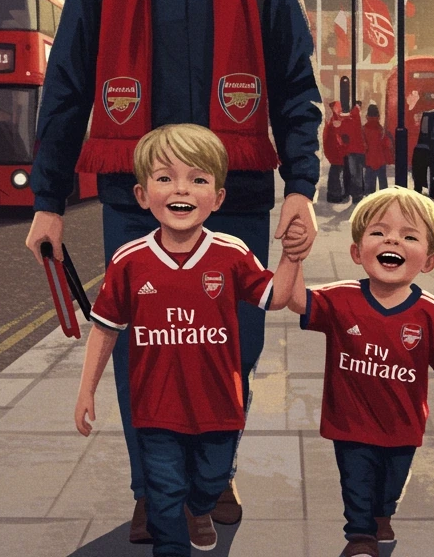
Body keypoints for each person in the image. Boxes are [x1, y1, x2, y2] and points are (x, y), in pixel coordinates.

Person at [24, 0, 322, 541]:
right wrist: (47, 203)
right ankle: (155, 491)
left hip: (241, 198)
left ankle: (208, 480)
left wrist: (303, 187)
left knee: (233, 351)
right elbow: (66, 92)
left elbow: (296, 89)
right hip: (133, 200)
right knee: (144, 358)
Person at [75, 124, 305, 556]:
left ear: (217, 197)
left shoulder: (232, 253)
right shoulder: (129, 262)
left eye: (198, 179)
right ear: (143, 195)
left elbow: (274, 299)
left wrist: (293, 256)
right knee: (163, 493)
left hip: (219, 405)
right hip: (155, 409)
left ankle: (198, 509)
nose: (181, 189)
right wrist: (86, 390)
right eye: (165, 178)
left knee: (211, 481)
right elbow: (106, 328)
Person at [287, 186, 434, 557]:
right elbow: (296, 301)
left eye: (409, 236)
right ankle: (359, 536)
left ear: (429, 260)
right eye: (379, 232)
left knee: (390, 483)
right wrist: (294, 258)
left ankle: (381, 515)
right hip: (351, 423)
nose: (393, 240)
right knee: (356, 480)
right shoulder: (340, 299)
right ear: (357, 253)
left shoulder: (432, 313)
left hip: (402, 425)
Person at [323, 101, 352, 203]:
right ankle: (334, 195)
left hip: (334, 151)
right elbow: (337, 137)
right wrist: (344, 146)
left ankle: (334, 194)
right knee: (336, 174)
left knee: (335, 173)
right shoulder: (335, 120)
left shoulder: (332, 120)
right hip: (337, 152)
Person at [362, 104, 392, 193]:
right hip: (381, 160)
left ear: (367, 116)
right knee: (383, 185)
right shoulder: (381, 130)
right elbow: (387, 145)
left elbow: (363, 146)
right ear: (378, 116)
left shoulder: (363, 129)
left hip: (369, 160)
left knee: (369, 186)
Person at [344, 101, 367, 202]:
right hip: (359, 150)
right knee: (358, 173)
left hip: (351, 150)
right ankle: (358, 194)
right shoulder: (358, 119)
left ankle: (356, 195)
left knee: (354, 173)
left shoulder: (349, 119)